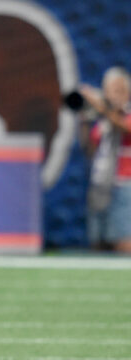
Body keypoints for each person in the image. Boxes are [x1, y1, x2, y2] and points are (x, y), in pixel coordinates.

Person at [79, 66, 131, 253]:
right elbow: (90, 151)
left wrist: (100, 106)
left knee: (124, 243)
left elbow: (125, 127)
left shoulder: (124, 115)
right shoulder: (103, 122)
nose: (114, 96)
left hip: (124, 185)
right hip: (100, 185)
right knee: (99, 243)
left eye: (119, 90)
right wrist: (84, 119)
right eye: (110, 91)